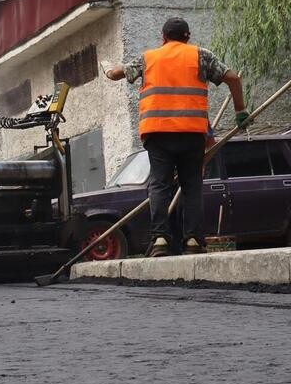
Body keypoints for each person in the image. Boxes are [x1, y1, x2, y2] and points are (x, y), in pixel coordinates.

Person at [105, 17, 248, 257]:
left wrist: (108, 68)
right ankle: (192, 241)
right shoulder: (201, 55)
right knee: (191, 186)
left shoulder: (149, 57)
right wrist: (240, 111)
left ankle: (160, 239)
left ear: (163, 37)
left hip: (157, 133)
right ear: (187, 37)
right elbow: (233, 78)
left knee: (160, 185)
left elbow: (118, 73)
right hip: (191, 133)